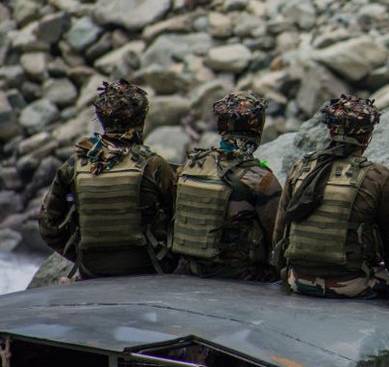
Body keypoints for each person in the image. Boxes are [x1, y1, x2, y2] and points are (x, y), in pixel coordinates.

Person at [38, 80, 176, 279]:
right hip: (147, 267)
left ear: (102, 119)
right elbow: (177, 220)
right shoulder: (155, 165)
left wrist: (80, 255)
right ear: (141, 120)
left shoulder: (75, 164)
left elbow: (48, 224)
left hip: (91, 269)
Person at [273, 94, 389, 298]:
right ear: (367, 137)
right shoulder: (377, 175)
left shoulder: (301, 168)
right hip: (352, 284)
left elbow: (279, 233)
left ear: (330, 131)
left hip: (298, 281)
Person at [170, 91, 281, 281]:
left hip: (186, 269)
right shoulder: (260, 179)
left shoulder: (190, 166)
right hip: (239, 276)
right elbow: (278, 237)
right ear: (257, 128)